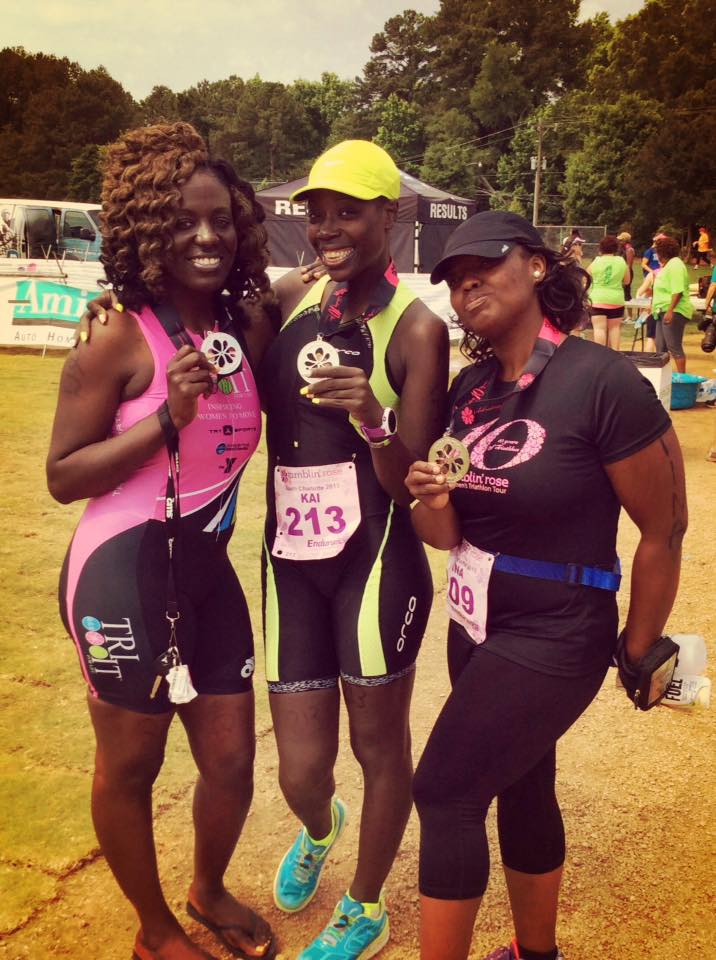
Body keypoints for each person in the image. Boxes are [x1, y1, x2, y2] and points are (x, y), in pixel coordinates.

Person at [404, 211, 686, 960]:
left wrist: (639, 646)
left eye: (484, 268)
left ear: (535, 266)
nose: (467, 288)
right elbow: (446, 534)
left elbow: (663, 528)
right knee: (522, 782)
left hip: (558, 629)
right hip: (474, 622)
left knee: (445, 791)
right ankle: (537, 955)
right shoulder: (470, 390)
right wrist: (431, 498)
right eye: (454, 281)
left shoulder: (602, 380)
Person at [46, 122, 277, 960]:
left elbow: (320, 286)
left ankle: (207, 888)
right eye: (182, 222)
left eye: (220, 220)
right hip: (123, 574)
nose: (207, 237)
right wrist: (165, 422)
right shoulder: (116, 333)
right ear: (147, 230)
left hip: (206, 575)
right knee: (130, 766)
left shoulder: (249, 323)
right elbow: (63, 474)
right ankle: (154, 931)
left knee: (232, 761)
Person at [262, 139, 449, 960]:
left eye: (348, 212)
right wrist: (119, 304)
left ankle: (365, 905)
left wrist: (371, 419)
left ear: (391, 215)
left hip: (376, 560)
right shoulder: (289, 298)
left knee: (379, 747)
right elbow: (199, 321)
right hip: (290, 562)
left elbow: (414, 482)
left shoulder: (417, 328)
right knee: (299, 772)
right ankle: (319, 826)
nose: (328, 228)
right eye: (317, 214)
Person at [652, 235, 692, 372]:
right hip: (662, 311)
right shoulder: (669, 265)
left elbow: (678, 291)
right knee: (660, 348)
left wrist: (670, 311)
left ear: (662, 252)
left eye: (657, 252)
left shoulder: (675, 265)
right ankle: (663, 377)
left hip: (674, 311)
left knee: (674, 346)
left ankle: (682, 377)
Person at [587, 234, 629, 349]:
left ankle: (600, 355)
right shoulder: (621, 261)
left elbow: (586, 276)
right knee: (614, 328)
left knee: (599, 329)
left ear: (601, 248)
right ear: (616, 248)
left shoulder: (596, 261)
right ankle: (615, 354)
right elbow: (627, 281)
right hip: (616, 299)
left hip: (598, 299)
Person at [616, 230, 635, 300]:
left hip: (627, 272)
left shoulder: (629, 250)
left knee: (626, 293)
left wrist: (626, 275)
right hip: (622, 271)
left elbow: (629, 265)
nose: (619, 242)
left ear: (625, 240)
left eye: (621, 240)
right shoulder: (622, 249)